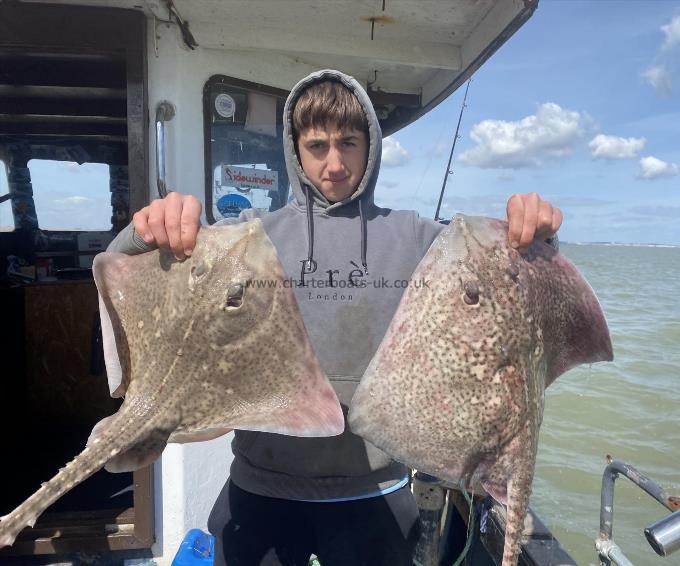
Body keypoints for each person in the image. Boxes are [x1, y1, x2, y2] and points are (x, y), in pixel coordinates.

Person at [108, 69, 562, 566]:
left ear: (371, 146)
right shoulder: (247, 238)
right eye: (317, 145)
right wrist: (142, 233)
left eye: (349, 142)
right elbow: (131, 276)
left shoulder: (417, 239)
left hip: (375, 492)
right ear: (294, 149)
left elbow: (508, 285)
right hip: (261, 483)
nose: (335, 163)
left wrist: (534, 234)